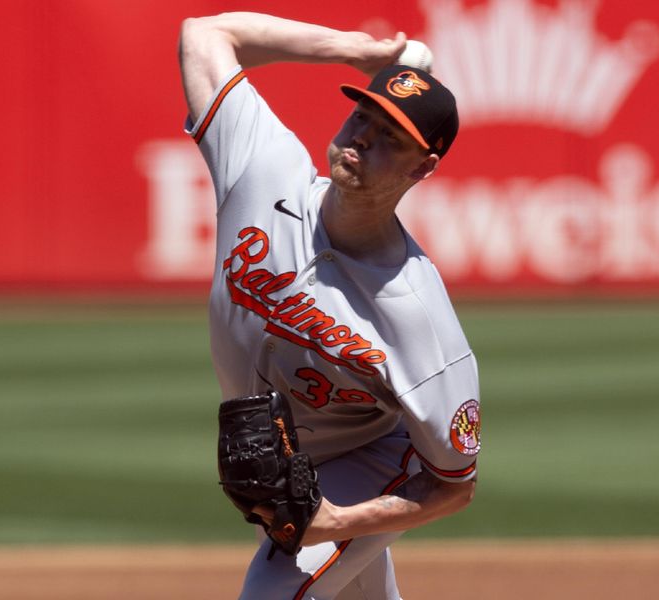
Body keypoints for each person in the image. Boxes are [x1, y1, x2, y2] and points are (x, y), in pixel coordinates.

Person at [178, 12, 481, 600]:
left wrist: (339, 520)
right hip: (293, 455)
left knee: (271, 593)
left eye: (391, 136)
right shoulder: (264, 171)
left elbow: (455, 485)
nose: (364, 137)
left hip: (366, 462)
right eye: (363, 115)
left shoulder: (418, 316)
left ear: (423, 168)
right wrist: (355, 51)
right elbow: (205, 34)